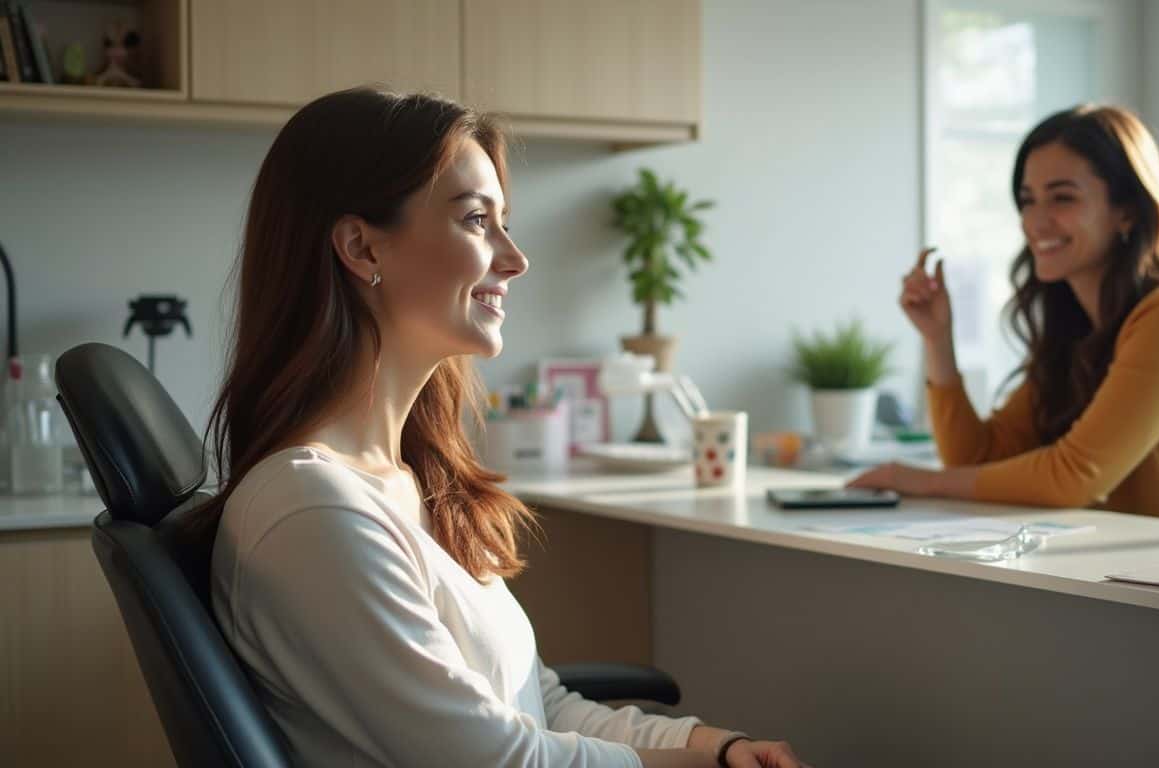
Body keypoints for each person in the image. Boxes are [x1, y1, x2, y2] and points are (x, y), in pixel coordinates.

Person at [203, 87, 808, 768]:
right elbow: (501, 762)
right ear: (360, 247)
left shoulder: (406, 481)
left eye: (504, 223)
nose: (513, 259)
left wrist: (714, 747)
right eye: (476, 220)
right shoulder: (314, 514)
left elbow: (537, 704)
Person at [850, 105, 1159, 530]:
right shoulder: (1079, 332)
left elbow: (1075, 476)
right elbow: (976, 460)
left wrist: (920, 481)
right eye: (1027, 200)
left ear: (1126, 210)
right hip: (1135, 575)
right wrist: (937, 340)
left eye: (1062, 197)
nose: (1035, 220)